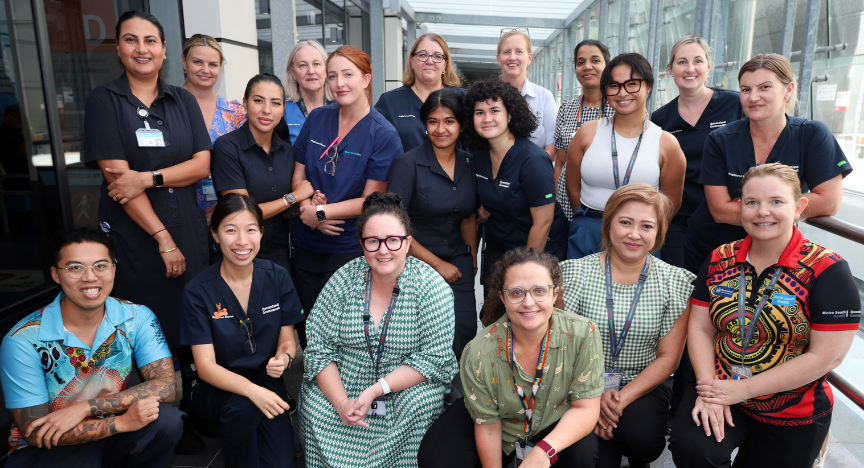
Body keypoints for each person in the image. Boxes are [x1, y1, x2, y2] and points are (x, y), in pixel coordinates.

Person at [669, 163, 860, 468]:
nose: (762, 212)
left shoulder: (827, 270)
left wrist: (741, 390)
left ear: (799, 207)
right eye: (752, 202)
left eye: (776, 202)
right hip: (720, 386)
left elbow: (827, 358)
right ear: (740, 207)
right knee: (692, 448)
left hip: (791, 411)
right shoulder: (721, 257)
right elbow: (701, 328)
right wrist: (709, 390)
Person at [83, 12, 212, 453]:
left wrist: (150, 177)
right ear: (118, 47)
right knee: (144, 325)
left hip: (190, 233)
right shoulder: (106, 100)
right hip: (140, 240)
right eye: (131, 40)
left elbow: (202, 164)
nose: (142, 49)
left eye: (151, 41)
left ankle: (185, 411)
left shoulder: (182, 100)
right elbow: (119, 181)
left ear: (163, 50)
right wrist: (162, 239)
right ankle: (153, 421)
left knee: (185, 321)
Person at [298, 192, 458, 468]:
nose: (383, 250)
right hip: (346, 378)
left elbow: (433, 358)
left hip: (404, 384)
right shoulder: (343, 280)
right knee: (316, 403)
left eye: (393, 240)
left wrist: (375, 390)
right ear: (362, 244)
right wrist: (341, 403)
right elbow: (319, 348)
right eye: (373, 241)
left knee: (418, 405)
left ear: (408, 243)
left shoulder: (432, 288)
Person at [0, 226, 182, 467]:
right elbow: (34, 432)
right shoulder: (23, 339)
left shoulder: (136, 317)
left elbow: (166, 387)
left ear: (113, 269)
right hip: (50, 448)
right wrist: (121, 423)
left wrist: (85, 408)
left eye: (100, 265)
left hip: (112, 430)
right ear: (56, 274)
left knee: (166, 421)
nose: (90, 277)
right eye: (75, 267)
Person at [418, 247, 604, 468]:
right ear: (502, 297)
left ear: (555, 294)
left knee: (583, 455)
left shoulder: (583, 334)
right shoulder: (479, 352)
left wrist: (545, 450)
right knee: (437, 459)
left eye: (539, 291)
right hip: (495, 420)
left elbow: (585, 408)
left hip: (554, 420)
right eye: (516, 293)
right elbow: (488, 426)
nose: (528, 302)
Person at [558, 184, 695, 468]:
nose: (634, 234)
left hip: (642, 380)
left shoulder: (676, 283)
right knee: (593, 458)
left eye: (647, 226)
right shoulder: (573, 274)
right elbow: (562, 348)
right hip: (579, 380)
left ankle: (628, 447)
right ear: (608, 226)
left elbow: (669, 359)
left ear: (659, 234)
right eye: (625, 222)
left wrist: (618, 401)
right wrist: (593, 396)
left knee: (642, 440)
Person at [683, 53, 852, 274]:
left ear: (788, 90)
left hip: (777, 257)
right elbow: (720, 211)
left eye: (764, 87)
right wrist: (781, 208)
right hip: (714, 251)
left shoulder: (811, 135)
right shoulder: (720, 139)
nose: (753, 97)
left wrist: (747, 203)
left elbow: (829, 201)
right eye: (746, 90)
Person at [291, 45, 403, 348]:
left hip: (347, 248)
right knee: (310, 327)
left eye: (348, 74)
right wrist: (307, 211)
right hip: (306, 241)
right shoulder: (317, 119)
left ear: (366, 79)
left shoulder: (383, 134)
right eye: (332, 76)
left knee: (343, 330)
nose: (339, 83)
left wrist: (324, 213)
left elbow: (371, 200)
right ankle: (315, 390)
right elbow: (298, 176)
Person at [181, 194, 304, 468]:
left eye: (250, 229)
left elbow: (287, 339)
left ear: (261, 232)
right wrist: (252, 390)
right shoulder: (198, 291)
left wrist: (283, 359)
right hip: (216, 386)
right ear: (215, 234)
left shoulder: (277, 276)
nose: (242, 241)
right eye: (230, 230)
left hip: (267, 383)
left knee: (281, 464)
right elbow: (205, 367)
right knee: (243, 408)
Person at [565, 52, 686, 260]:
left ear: (648, 86)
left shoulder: (666, 143)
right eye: (613, 86)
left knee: (637, 292)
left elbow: (670, 204)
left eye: (632, 84)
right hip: (589, 229)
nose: (622, 93)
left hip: (638, 238)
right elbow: (572, 186)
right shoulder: (587, 132)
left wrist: (641, 229)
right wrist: (594, 221)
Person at [387, 88, 478, 356]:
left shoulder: (470, 162)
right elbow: (395, 228)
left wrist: (471, 259)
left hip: (458, 257)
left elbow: (469, 216)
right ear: (424, 124)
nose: (441, 129)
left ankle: (458, 390)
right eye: (433, 121)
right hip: (414, 258)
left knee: (463, 328)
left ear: (461, 124)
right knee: (423, 333)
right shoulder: (407, 164)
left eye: (449, 121)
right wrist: (438, 265)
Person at [463, 77, 569, 291]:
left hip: (537, 249)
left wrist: (525, 273)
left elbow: (543, 222)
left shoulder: (532, 160)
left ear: (510, 114)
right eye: (479, 113)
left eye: (494, 111)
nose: (487, 119)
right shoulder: (478, 156)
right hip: (498, 244)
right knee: (493, 313)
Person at [650, 36, 744, 269]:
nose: (690, 69)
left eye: (698, 61)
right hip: (680, 222)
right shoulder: (661, 119)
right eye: (682, 62)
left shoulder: (736, 105)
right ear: (670, 70)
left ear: (709, 67)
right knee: (683, 291)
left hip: (732, 220)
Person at [211, 73, 315, 271]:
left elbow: (294, 204)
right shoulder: (227, 147)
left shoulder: (288, 152)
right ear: (245, 103)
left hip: (284, 254)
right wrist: (292, 198)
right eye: (258, 101)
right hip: (240, 253)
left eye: (275, 103)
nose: (266, 110)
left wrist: (311, 202)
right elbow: (241, 212)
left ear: (283, 109)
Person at [181, 34, 246, 216]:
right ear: (184, 63)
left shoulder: (236, 114)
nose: (205, 70)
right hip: (180, 211)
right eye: (198, 62)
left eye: (212, 65)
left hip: (227, 214)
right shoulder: (167, 109)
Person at [554, 40, 615, 221]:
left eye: (595, 60)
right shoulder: (566, 109)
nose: (587, 67)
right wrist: (558, 200)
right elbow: (560, 162)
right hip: (566, 207)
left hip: (605, 209)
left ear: (607, 66)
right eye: (581, 62)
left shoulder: (618, 108)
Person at [375, 33, 464, 152]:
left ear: (445, 64)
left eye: (437, 56)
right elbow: (374, 143)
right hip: (405, 170)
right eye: (422, 55)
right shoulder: (390, 101)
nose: (429, 61)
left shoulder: (464, 99)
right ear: (412, 61)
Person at [497, 29, 558, 159]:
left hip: (531, 173)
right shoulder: (487, 97)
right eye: (507, 52)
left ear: (529, 58)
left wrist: (528, 168)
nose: (512, 57)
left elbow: (551, 147)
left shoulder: (544, 97)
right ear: (498, 59)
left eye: (519, 51)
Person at [283, 40, 333, 145]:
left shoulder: (341, 105)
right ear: (293, 73)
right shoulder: (282, 109)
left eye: (316, 64)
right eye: (303, 65)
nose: (311, 71)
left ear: (326, 69)